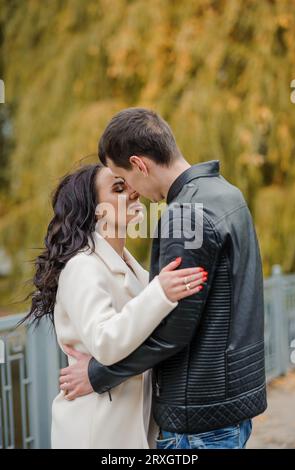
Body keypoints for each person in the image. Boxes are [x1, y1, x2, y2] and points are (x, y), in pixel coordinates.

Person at [60, 108, 267, 449]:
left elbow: (173, 331)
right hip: (230, 405)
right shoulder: (227, 194)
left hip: (197, 415)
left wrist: (98, 374)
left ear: (140, 164)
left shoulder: (184, 215)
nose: (132, 191)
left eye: (123, 178)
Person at [23, 163, 206, 449]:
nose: (134, 193)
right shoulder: (83, 266)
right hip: (97, 428)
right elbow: (105, 341)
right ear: (95, 211)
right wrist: (160, 292)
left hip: (129, 421)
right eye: (119, 189)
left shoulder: (129, 266)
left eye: (129, 185)